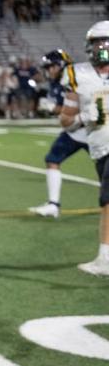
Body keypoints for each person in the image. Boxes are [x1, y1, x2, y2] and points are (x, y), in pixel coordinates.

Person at [58, 22, 109, 275]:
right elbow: (65, 120)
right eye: (97, 42)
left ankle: (105, 259)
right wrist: (82, 117)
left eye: (105, 42)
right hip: (99, 147)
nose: (101, 48)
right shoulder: (77, 74)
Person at [29, 49, 88, 218]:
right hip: (73, 132)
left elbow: (76, 109)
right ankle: (53, 204)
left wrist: (52, 108)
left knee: (104, 171)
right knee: (52, 159)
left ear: (60, 65)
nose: (48, 71)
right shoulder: (57, 83)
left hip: (91, 132)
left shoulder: (76, 81)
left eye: (50, 67)